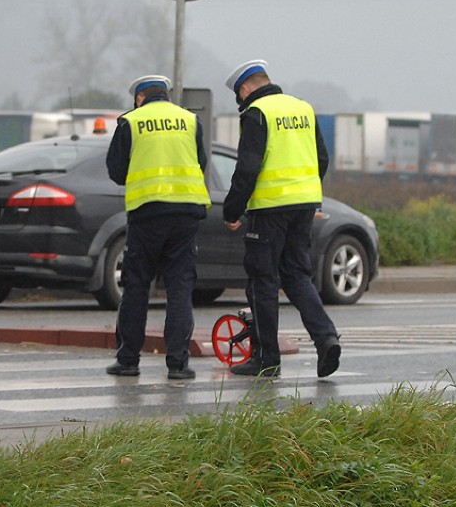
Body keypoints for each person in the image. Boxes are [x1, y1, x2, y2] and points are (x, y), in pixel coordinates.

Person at [222, 60, 341, 378]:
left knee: (263, 282)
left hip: (269, 210)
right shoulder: (303, 108)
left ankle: (266, 359)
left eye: (239, 96)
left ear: (246, 89)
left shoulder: (257, 113)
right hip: (304, 206)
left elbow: (247, 168)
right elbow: (322, 158)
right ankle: (326, 337)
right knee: (298, 276)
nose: (240, 103)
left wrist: (232, 211)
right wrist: (305, 192)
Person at [105, 75, 210, 380]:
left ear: (138, 98)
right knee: (179, 287)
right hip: (186, 214)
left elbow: (116, 171)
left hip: (147, 213)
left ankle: (128, 360)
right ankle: (178, 363)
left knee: (137, 286)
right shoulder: (190, 120)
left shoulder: (132, 122)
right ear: (165, 94)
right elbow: (201, 162)